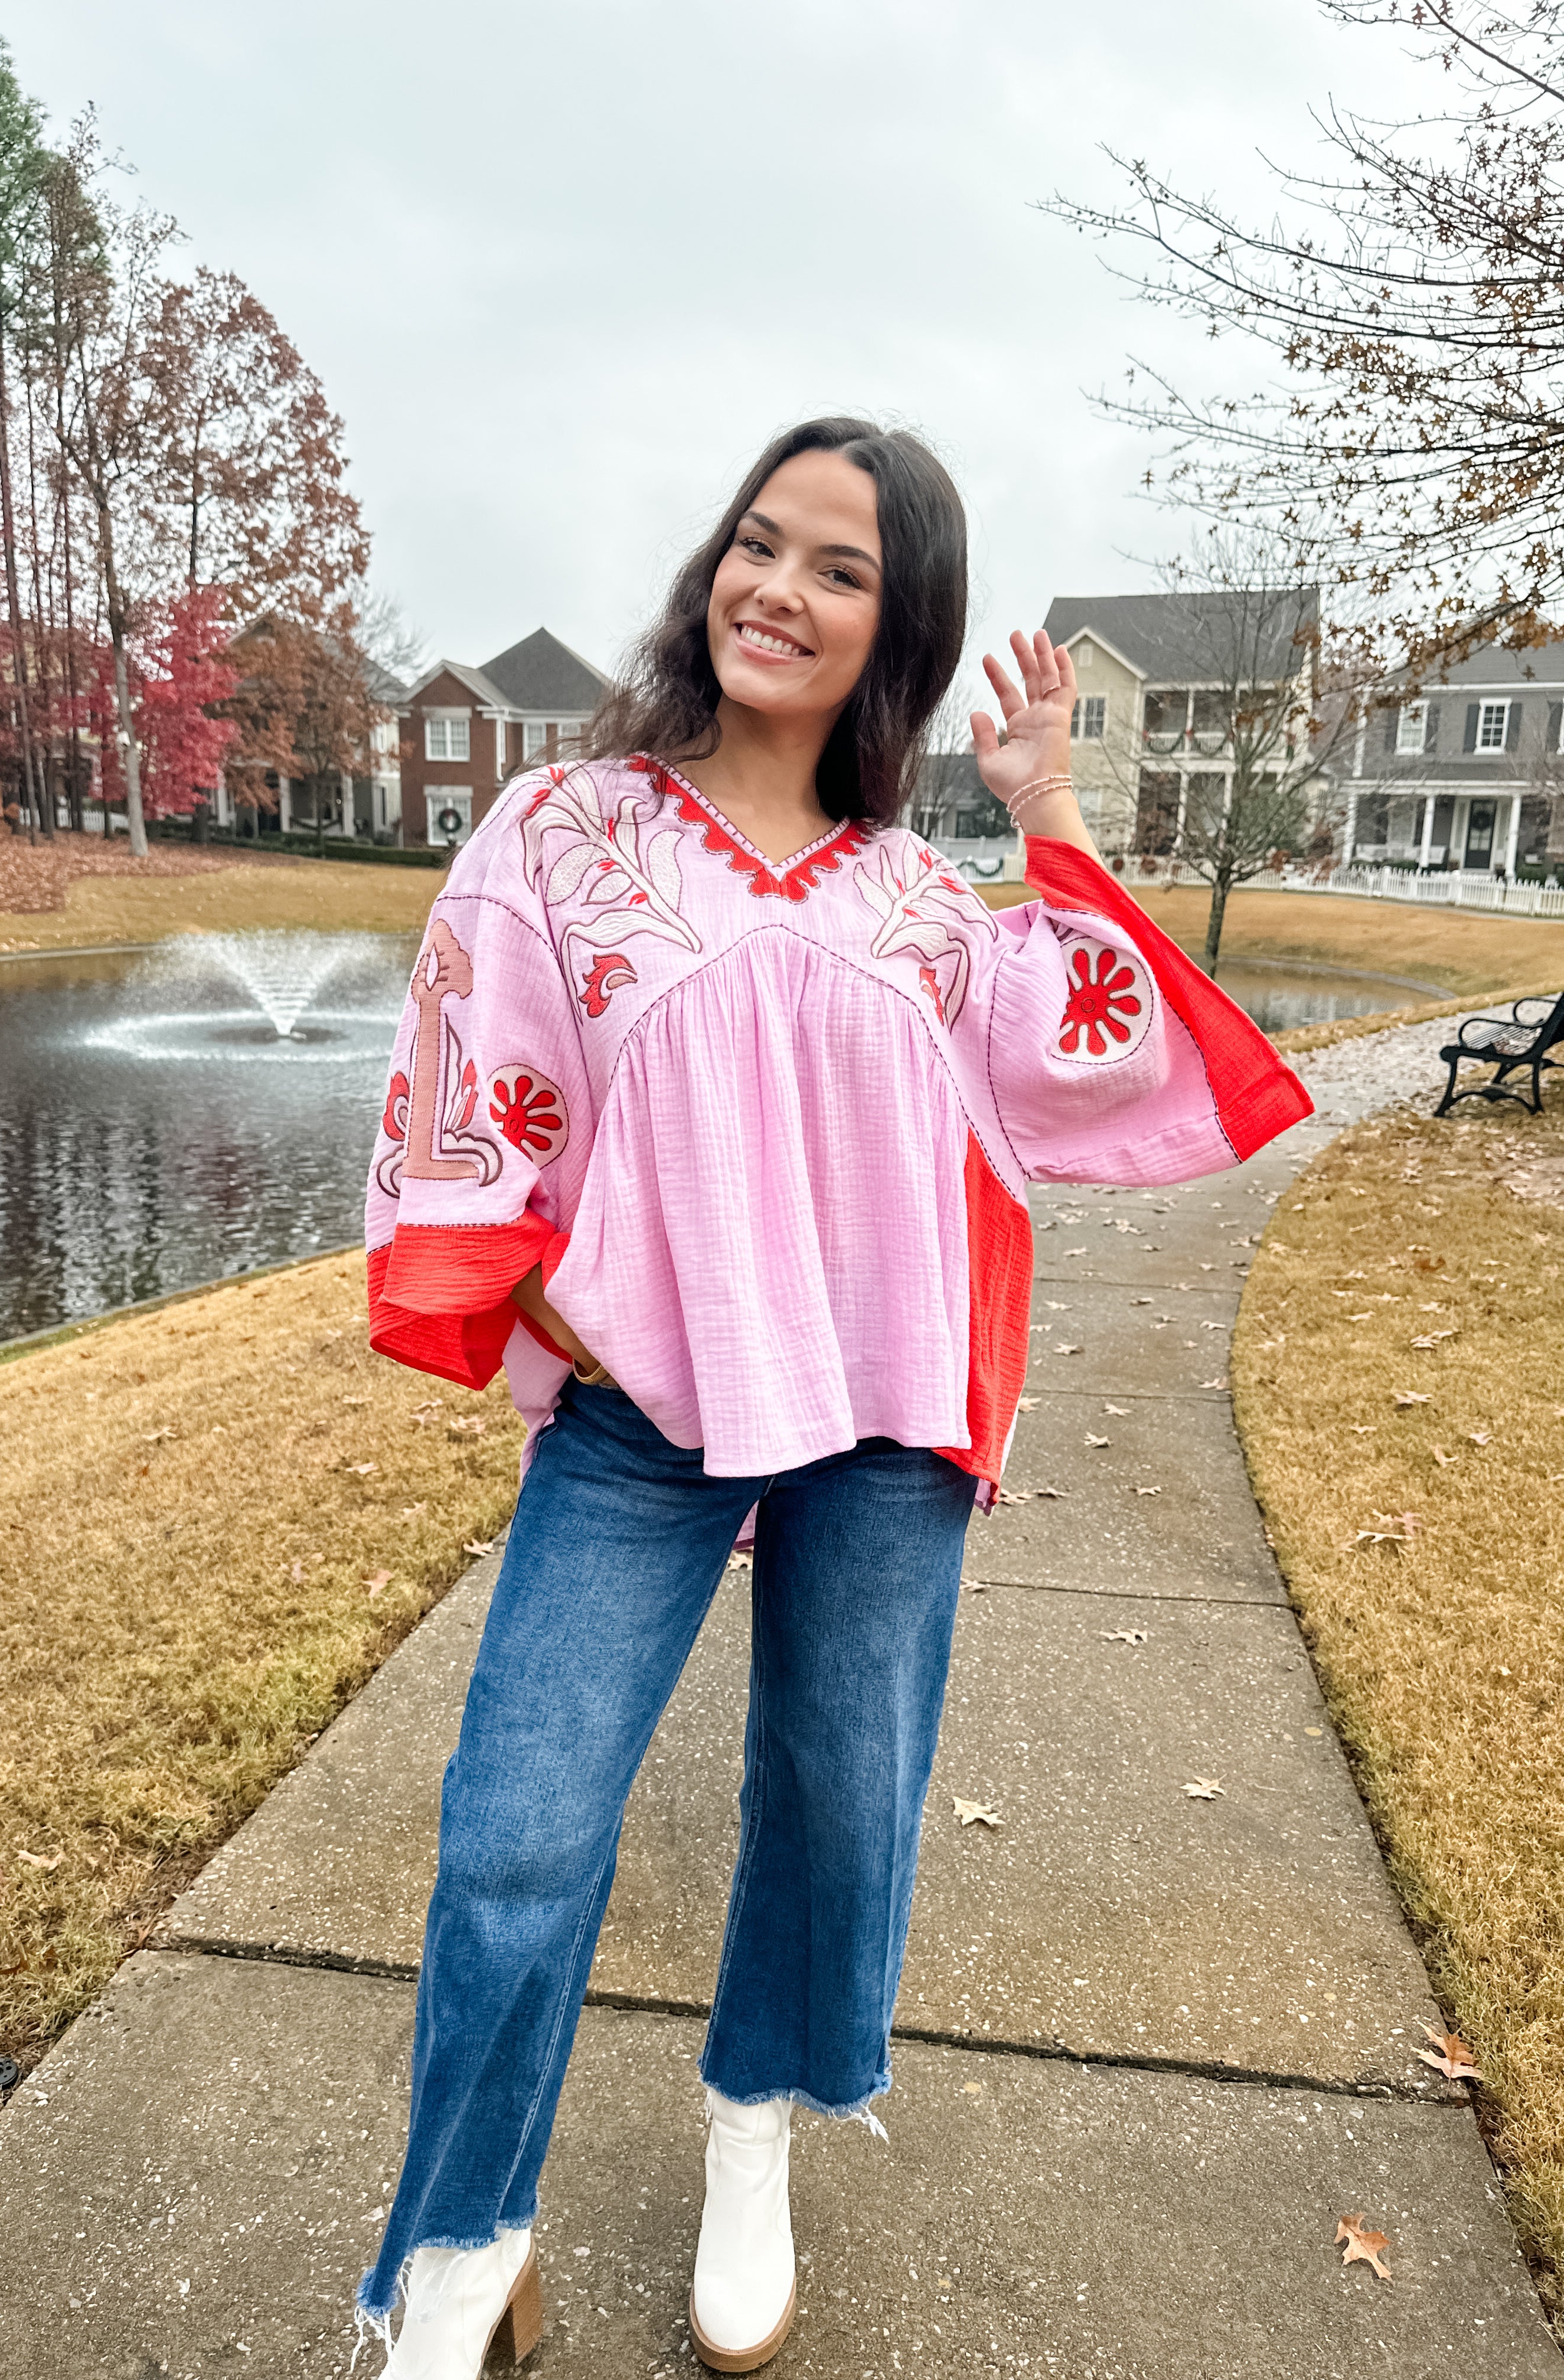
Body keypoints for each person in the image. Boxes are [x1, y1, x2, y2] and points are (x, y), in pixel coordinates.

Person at [355, 417, 1311, 2377]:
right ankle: (461, 2252)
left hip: (883, 1410)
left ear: (898, 627)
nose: (778, 591)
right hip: (640, 1420)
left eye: (840, 569)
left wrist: (1045, 813)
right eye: (759, 544)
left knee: (840, 1793)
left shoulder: (921, 908)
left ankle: (752, 2131)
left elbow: (1097, 1055)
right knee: (517, 1829)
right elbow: (471, 1087)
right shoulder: (564, 834)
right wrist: (561, 1295)